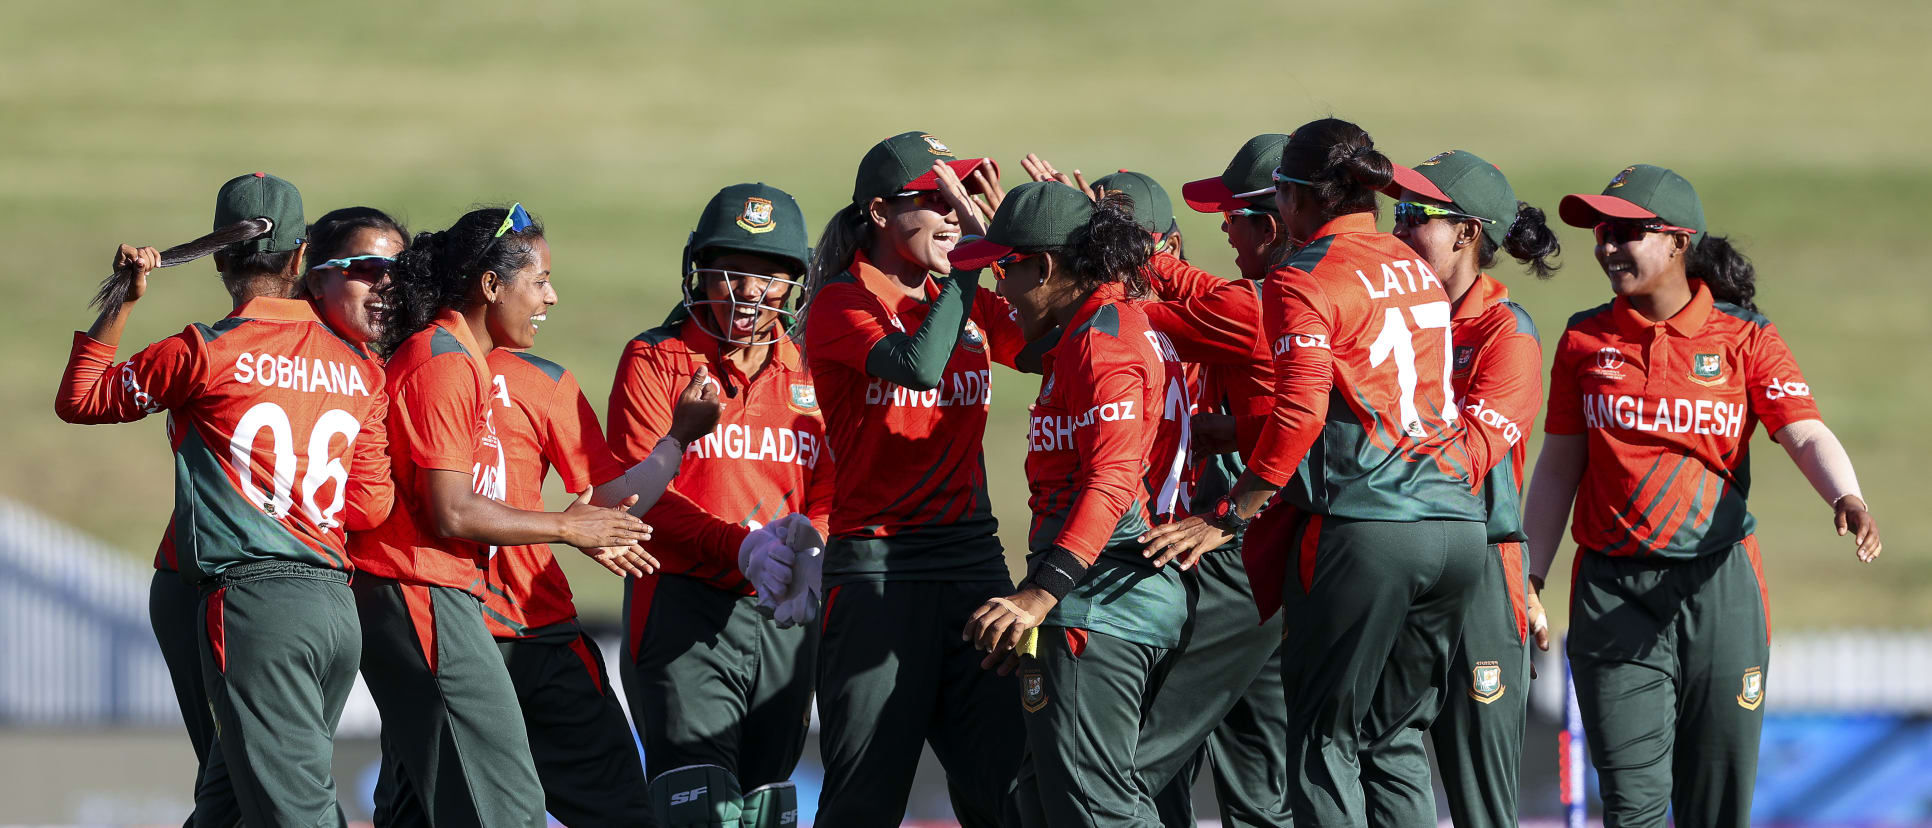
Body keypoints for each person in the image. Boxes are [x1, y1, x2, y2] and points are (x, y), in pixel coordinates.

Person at [1525, 164, 1882, 828]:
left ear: (1677, 241)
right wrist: (1530, 575)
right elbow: (1558, 466)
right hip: (1612, 594)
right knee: (1631, 809)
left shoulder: (1744, 338)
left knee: (1715, 807)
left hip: (1720, 589)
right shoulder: (1584, 339)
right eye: (1601, 231)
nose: (1606, 246)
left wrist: (1847, 496)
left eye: (1626, 232)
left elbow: (1802, 431)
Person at [1159, 119, 1491, 827]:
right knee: (1394, 740)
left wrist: (1234, 512)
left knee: (1321, 743)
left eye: (1278, 194)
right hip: (1459, 525)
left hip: (1369, 529)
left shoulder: (1302, 276)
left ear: (1297, 196)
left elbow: (1300, 412)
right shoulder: (1416, 269)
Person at [56, 173, 394, 824]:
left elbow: (82, 399)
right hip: (334, 611)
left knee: (286, 807)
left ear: (219, 259)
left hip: (249, 606)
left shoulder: (201, 352)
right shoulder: (362, 369)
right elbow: (370, 509)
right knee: (234, 797)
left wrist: (123, 301)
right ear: (302, 259)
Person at [350, 204, 666, 827]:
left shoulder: (459, 358)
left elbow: (603, 494)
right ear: (491, 286)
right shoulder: (442, 361)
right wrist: (568, 526)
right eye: (539, 280)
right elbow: (452, 511)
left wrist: (674, 442)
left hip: (460, 606)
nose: (551, 297)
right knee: (507, 809)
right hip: (428, 599)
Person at [801, 131, 1025, 827]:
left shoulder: (966, 299)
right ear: (877, 213)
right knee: (864, 800)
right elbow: (916, 366)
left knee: (1010, 790)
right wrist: (966, 272)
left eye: (961, 198)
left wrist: (1045, 255)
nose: (954, 214)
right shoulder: (841, 304)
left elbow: (1053, 345)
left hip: (974, 565)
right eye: (935, 200)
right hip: (878, 571)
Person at [955, 183, 1186, 827]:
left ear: (1048, 267)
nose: (1001, 288)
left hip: (1103, 606)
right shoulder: (1089, 331)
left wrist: (1039, 596)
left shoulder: (1102, 343)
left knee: (1094, 810)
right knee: (1040, 799)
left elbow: (1111, 484)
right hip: (1100, 597)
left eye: (1006, 268)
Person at [607, 183, 832, 828]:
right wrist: (740, 546)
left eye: (768, 275)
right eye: (730, 270)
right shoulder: (656, 358)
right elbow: (638, 498)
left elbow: (834, 485)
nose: (746, 292)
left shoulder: (812, 366)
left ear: (793, 284)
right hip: (683, 605)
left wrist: (813, 545)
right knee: (700, 808)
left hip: (784, 613)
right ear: (698, 270)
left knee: (767, 808)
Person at [1128, 140, 1301, 828]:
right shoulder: (1346, 282)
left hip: (1251, 553)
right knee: (1266, 786)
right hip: (1312, 554)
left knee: (1126, 766)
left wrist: (1228, 515)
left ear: (1273, 222)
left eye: (1232, 217)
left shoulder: (1257, 302)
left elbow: (1126, 316)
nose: (1222, 231)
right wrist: (1229, 431)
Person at [1386, 149, 1561, 828]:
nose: (1398, 231)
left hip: (1483, 567)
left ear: (1467, 233)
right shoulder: (1392, 318)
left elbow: (1469, 458)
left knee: (1480, 800)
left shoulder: (1505, 332)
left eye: (1416, 216)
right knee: (1381, 759)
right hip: (1398, 558)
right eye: (1395, 213)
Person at [302, 206, 407, 348]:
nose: (388, 283)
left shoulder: (377, 362)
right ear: (317, 283)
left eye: (399, 271)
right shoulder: (283, 356)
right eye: (367, 268)